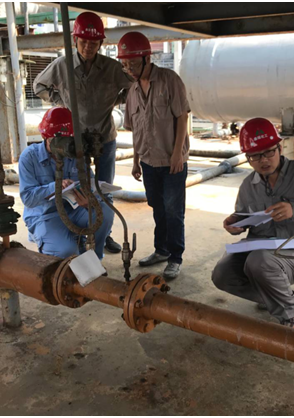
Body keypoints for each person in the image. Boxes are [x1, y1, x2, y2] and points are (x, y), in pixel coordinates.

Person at [211, 118, 294, 329]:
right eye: (255, 156)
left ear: (280, 148)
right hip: (259, 247)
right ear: (247, 158)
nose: (263, 160)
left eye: (269, 152)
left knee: (259, 262)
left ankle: (293, 314)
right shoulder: (248, 185)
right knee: (222, 273)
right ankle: (274, 299)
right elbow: (244, 217)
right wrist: (235, 224)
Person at [33, 11, 132, 254]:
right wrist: (61, 102)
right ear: (75, 39)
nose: (88, 47)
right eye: (84, 41)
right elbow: (38, 86)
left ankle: (104, 233)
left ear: (101, 43)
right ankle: (79, 230)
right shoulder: (62, 65)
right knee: (78, 188)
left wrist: (115, 101)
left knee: (104, 188)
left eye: (94, 42)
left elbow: (133, 86)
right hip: (74, 140)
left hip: (105, 137)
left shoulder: (111, 68)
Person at [118, 32, 190, 280]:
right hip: (148, 162)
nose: (130, 70)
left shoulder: (170, 80)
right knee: (158, 208)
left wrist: (178, 154)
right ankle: (161, 250)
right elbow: (135, 129)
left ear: (147, 58)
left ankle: (175, 258)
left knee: (173, 211)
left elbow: (182, 117)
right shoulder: (133, 91)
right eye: (125, 65)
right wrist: (135, 161)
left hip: (171, 161)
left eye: (133, 64)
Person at [19, 107, 114, 260]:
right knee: (67, 253)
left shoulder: (75, 154)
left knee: (105, 212)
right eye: (57, 141)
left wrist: (89, 201)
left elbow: (91, 184)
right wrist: (55, 186)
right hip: (46, 215)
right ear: (45, 136)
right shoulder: (29, 157)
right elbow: (28, 198)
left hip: (74, 210)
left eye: (67, 140)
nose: (63, 146)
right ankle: (65, 246)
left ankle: (94, 259)